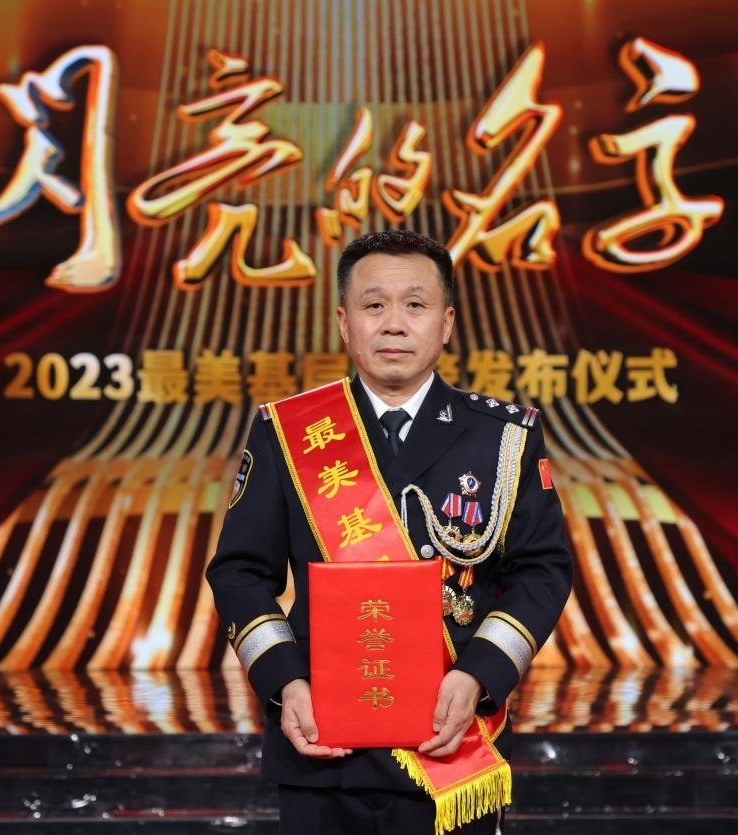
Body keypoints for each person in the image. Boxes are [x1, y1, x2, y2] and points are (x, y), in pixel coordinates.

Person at [206, 229, 573, 834]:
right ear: (344, 323)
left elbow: (542, 571)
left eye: (415, 305)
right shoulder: (288, 432)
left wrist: (478, 674)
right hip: (322, 744)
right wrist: (284, 681)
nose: (394, 324)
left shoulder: (504, 436)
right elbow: (240, 573)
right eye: (374, 305)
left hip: (451, 739)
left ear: (446, 323)